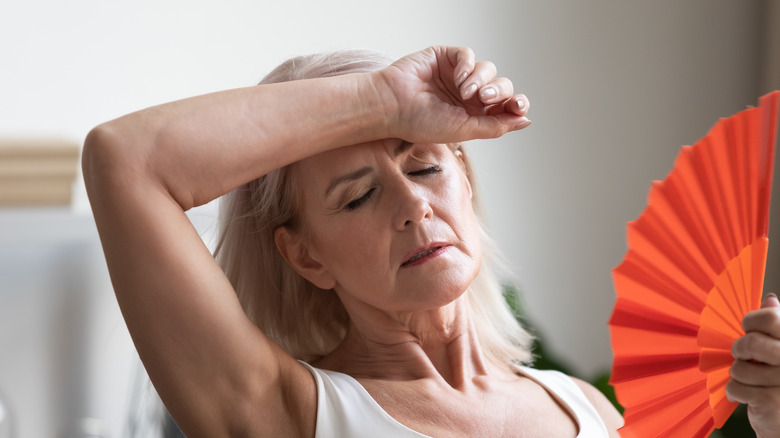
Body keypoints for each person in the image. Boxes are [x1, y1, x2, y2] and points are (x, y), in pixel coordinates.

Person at [82, 46, 780, 437]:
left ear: (465, 185)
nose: (414, 203)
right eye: (357, 195)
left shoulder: (582, 408)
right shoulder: (290, 415)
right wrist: (383, 100)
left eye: (425, 165)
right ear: (305, 255)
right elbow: (127, 160)